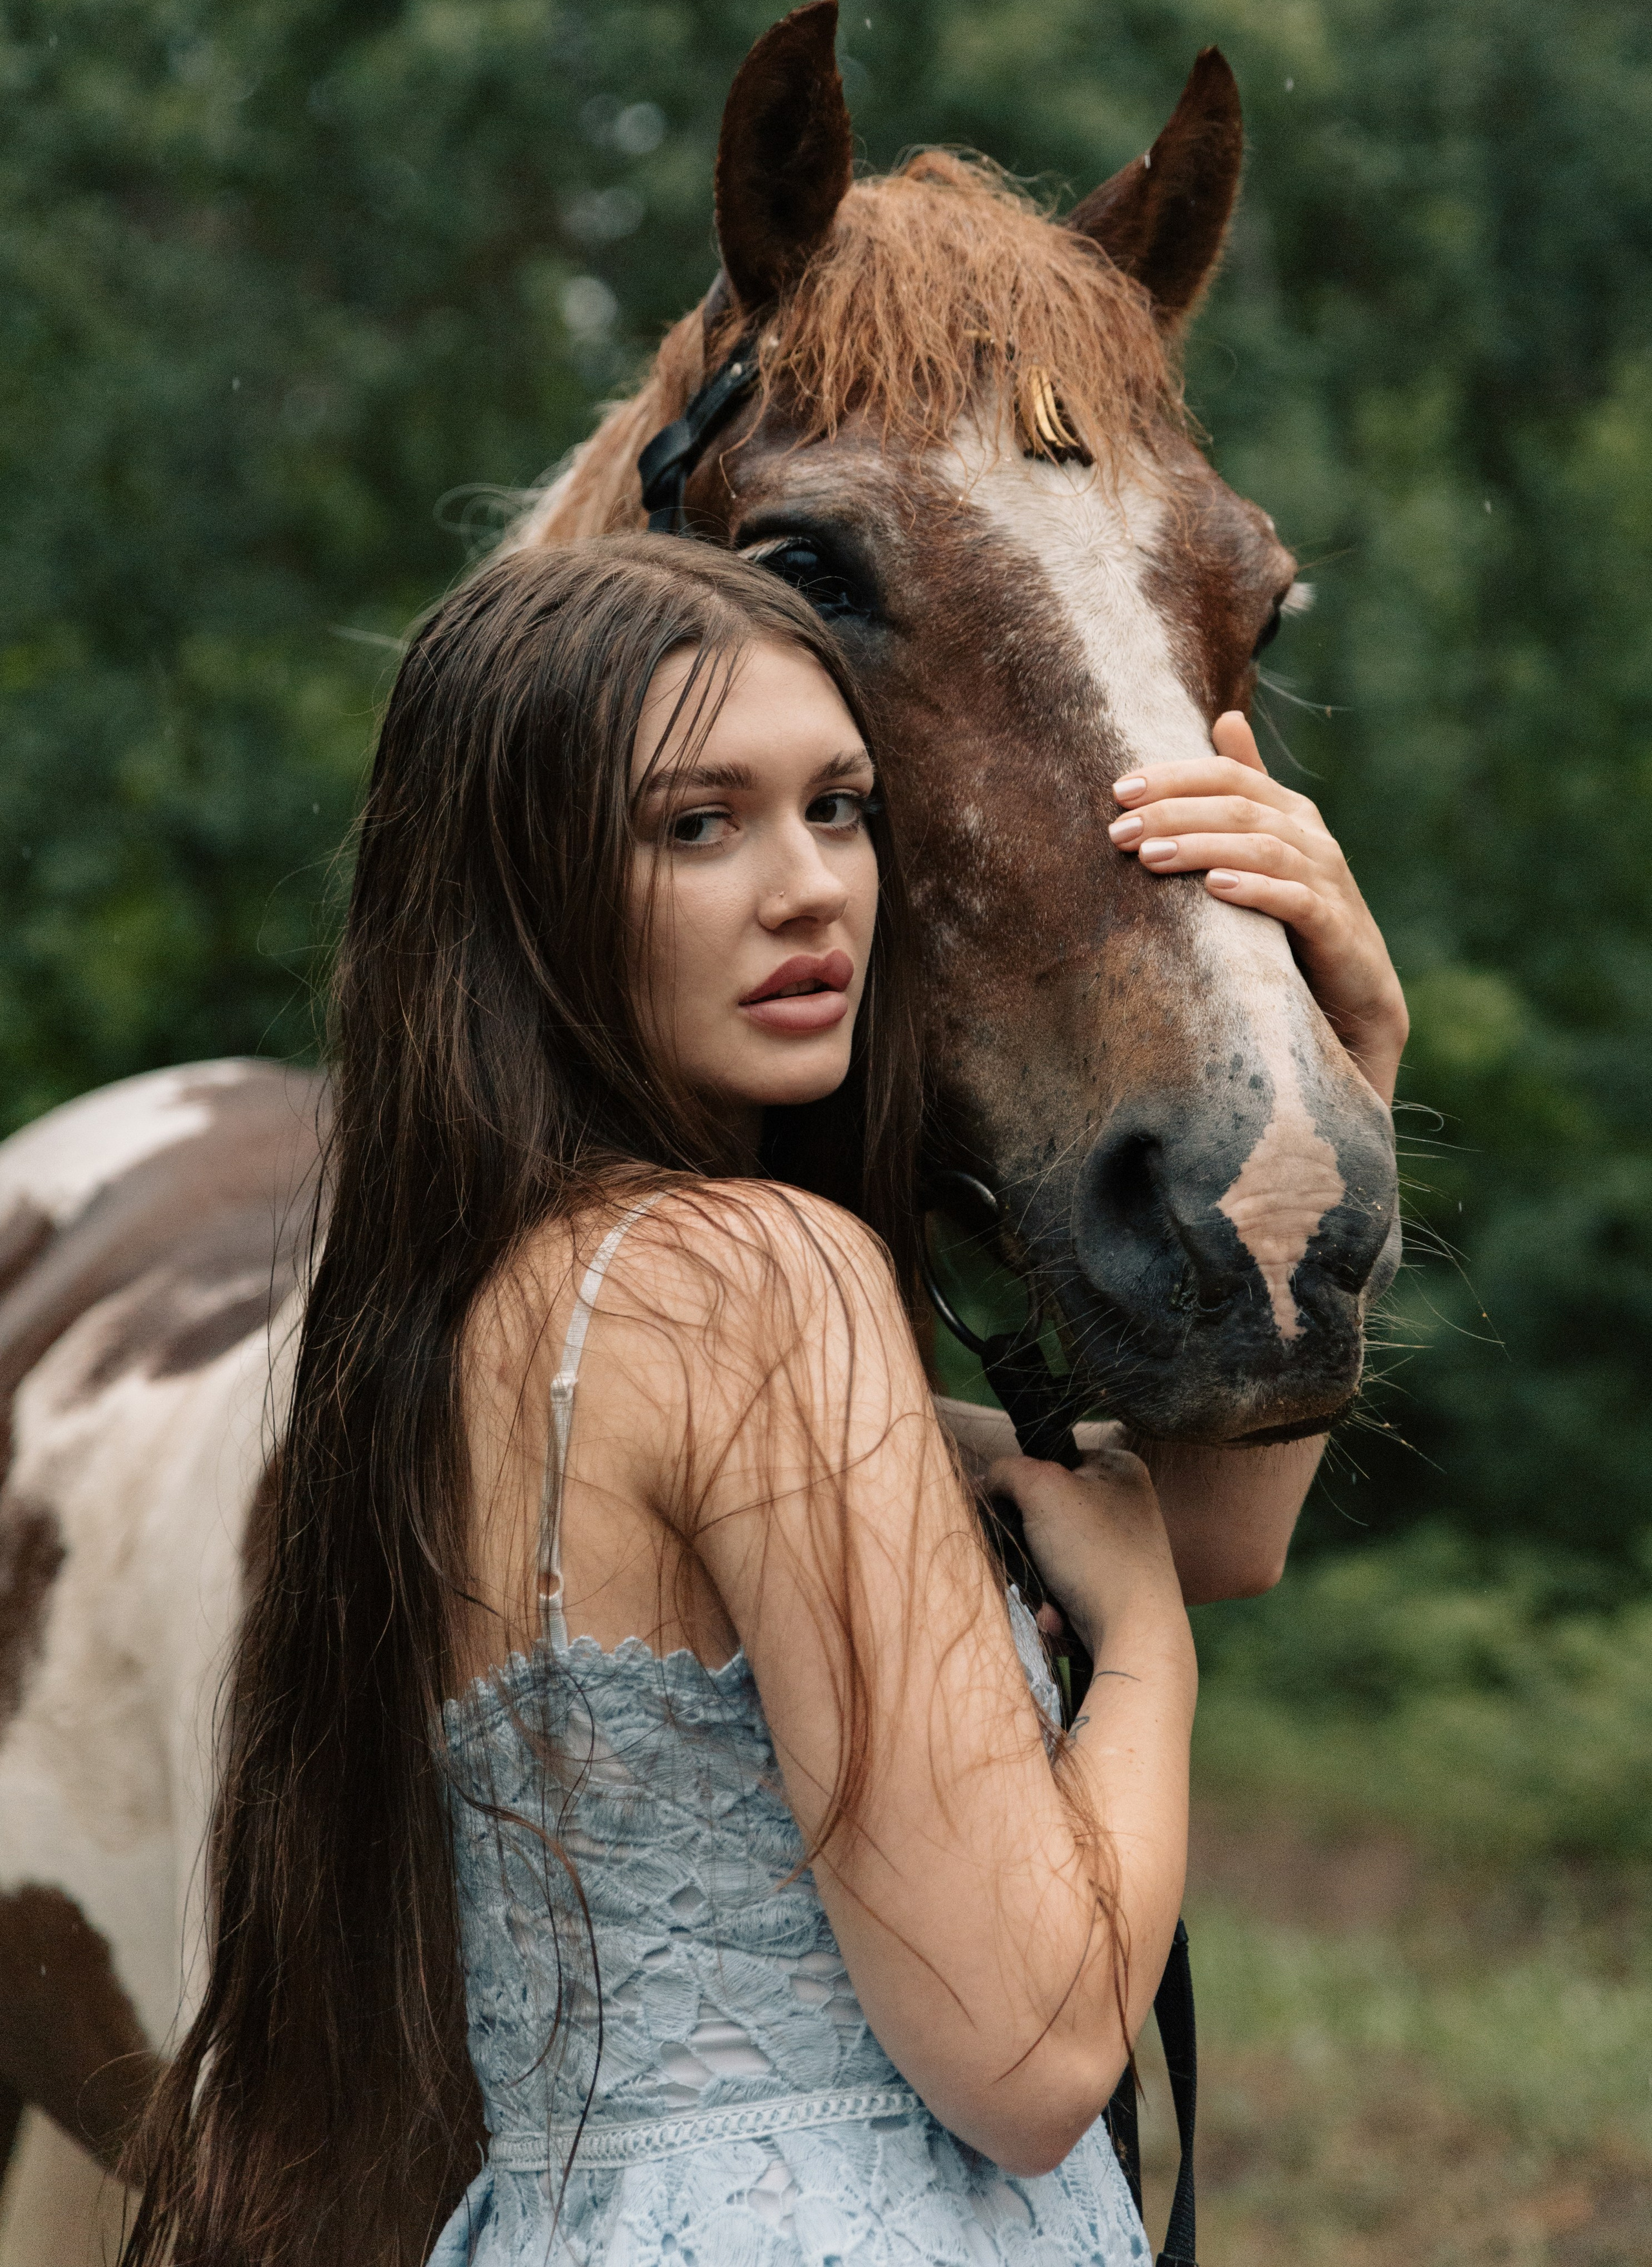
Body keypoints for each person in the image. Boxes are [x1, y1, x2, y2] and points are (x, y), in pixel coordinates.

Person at [124, 536, 1407, 2267]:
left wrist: (1345, 1065)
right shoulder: (752, 1284)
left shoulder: (504, 1305)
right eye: (697, 826)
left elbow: (1209, 1528)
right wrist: (1147, 1662)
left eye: (840, 808)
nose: (811, 889)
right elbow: (1035, 2057)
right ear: (523, 893)